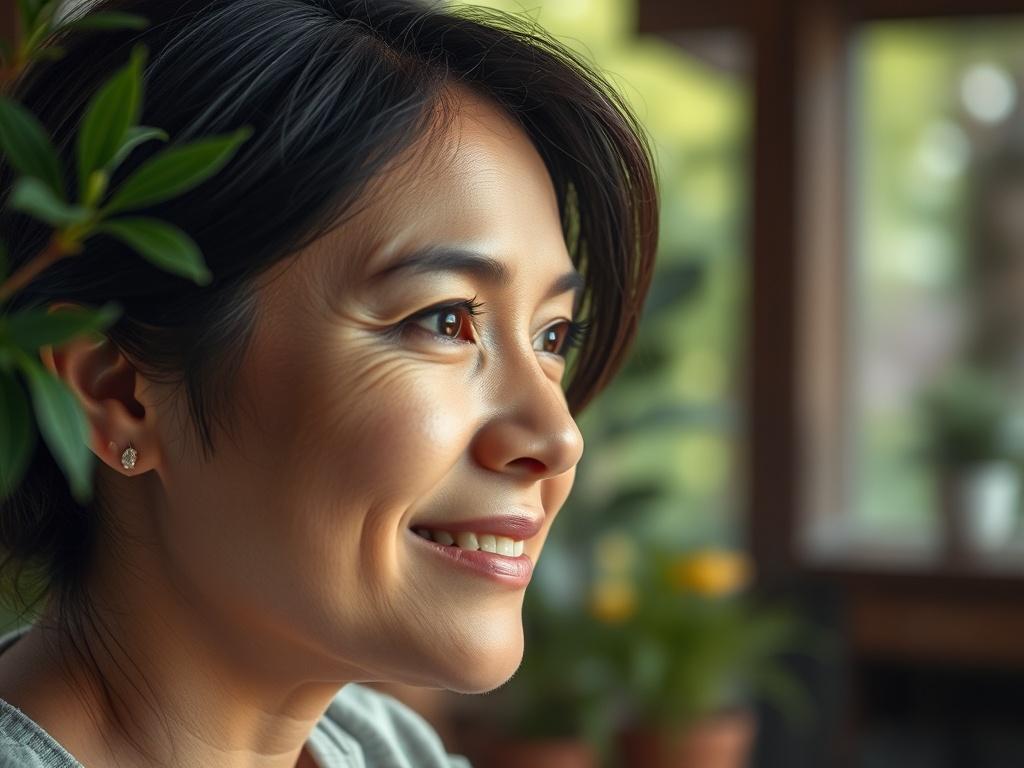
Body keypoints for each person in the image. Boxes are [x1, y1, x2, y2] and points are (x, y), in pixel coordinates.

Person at [0, 0, 658, 765]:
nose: (558, 437)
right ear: (114, 392)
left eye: (551, 337)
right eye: (445, 320)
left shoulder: (392, 750)